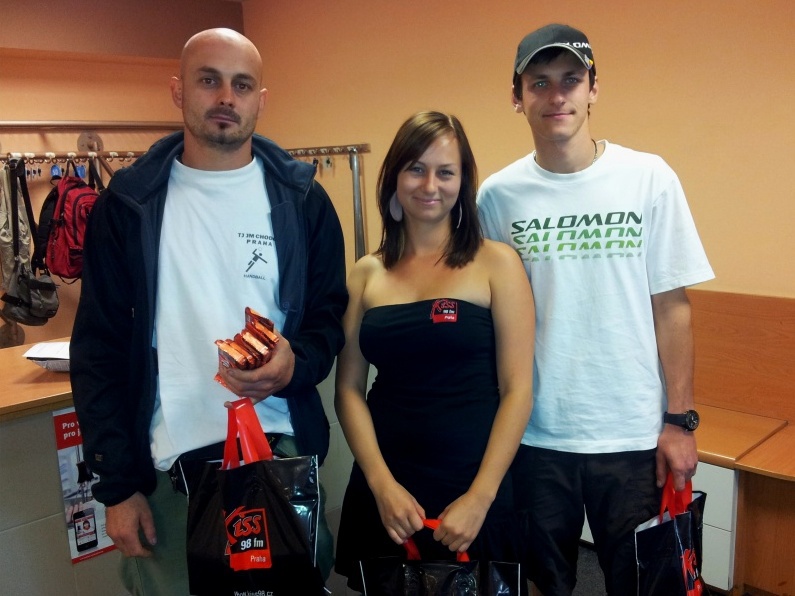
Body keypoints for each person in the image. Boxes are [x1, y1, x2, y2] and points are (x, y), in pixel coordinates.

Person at [69, 28, 347, 595]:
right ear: (178, 90)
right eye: (208, 80)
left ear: (260, 100)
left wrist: (295, 364)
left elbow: (328, 318)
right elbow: (98, 349)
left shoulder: (303, 202)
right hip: (169, 473)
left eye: (241, 85)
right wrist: (117, 487)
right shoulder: (128, 206)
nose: (225, 97)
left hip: (282, 456)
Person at [476, 23, 715, 595]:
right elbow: (490, 319)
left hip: (632, 435)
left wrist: (679, 422)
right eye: (539, 82)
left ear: (593, 90)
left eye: (571, 79)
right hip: (535, 435)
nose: (556, 95)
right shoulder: (497, 196)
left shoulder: (648, 178)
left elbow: (672, 308)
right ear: (517, 97)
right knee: (542, 584)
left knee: (642, 583)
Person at [333, 111, 535, 592]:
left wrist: (480, 498)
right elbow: (349, 390)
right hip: (388, 484)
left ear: (462, 183)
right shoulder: (366, 273)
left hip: (473, 483)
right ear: (394, 178)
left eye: (446, 172)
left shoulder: (496, 263)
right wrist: (381, 485)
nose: (430, 185)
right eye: (416, 169)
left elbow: (518, 390)